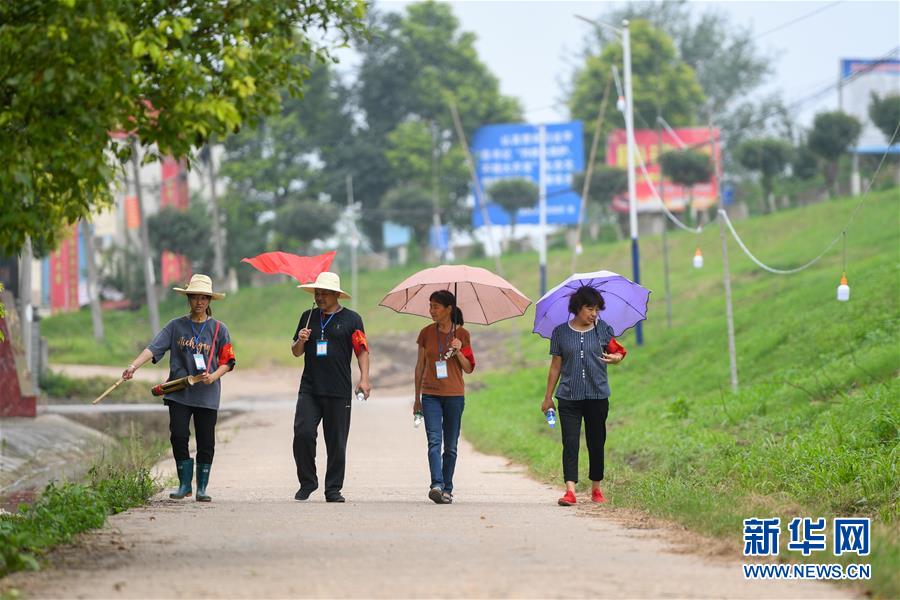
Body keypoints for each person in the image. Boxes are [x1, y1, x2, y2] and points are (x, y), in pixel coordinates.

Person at [122, 274, 235, 502]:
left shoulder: (219, 330)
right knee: (179, 435)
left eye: (204, 298)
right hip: (178, 392)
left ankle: (202, 487)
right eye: (195, 297)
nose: (199, 302)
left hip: (207, 393)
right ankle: (185, 484)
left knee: (206, 440)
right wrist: (133, 366)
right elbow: (153, 348)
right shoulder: (176, 326)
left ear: (210, 300)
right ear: (189, 298)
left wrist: (213, 376)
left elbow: (229, 361)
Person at [541, 285, 626, 506]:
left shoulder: (602, 329)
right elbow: (555, 366)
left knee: (596, 442)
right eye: (590, 308)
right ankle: (570, 490)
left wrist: (617, 358)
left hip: (597, 395)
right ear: (577, 307)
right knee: (570, 442)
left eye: (597, 309)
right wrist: (548, 397)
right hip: (568, 396)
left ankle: (596, 489)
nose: (594, 313)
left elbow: (618, 351)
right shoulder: (560, 333)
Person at [291, 271, 370, 503]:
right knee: (303, 433)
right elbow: (296, 352)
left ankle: (333, 489)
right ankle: (308, 481)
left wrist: (364, 378)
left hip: (338, 389)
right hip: (310, 388)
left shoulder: (352, 319)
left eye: (325, 293)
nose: (320, 297)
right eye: (317, 293)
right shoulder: (308, 317)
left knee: (336, 442)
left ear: (336, 294)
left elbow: (362, 350)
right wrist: (301, 340)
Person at [414, 290, 475, 504]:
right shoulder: (425, 333)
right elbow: (420, 366)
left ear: (448, 309)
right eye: (430, 306)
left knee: (450, 446)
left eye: (436, 306)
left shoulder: (463, 335)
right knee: (434, 441)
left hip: (454, 396)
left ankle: (447, 488)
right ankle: (436, 485)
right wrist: (417, 398)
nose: (431, 310)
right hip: (430, 394)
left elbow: (469, 369)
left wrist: (458, 351)